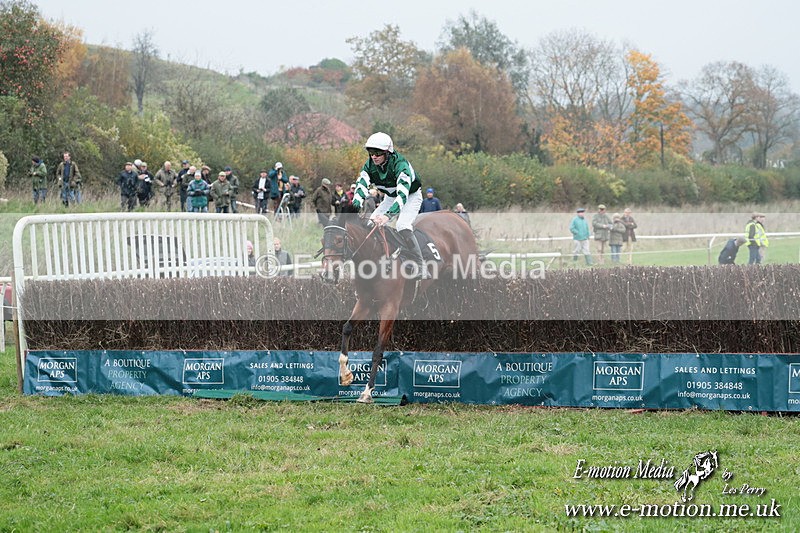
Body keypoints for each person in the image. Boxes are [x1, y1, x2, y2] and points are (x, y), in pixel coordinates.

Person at [350, 132, 430, 279]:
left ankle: (421, 265)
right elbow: (362, 183)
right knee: (370, 222)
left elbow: (402, 197)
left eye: (378, 153)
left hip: (410, 196)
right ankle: (382, 259)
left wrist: (387, 216)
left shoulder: (401, 165)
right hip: (390, 197)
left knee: (402, 225)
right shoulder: (369, 165)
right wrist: (357, 201)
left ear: (388, 152)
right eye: (371, 152)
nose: (374, 156)